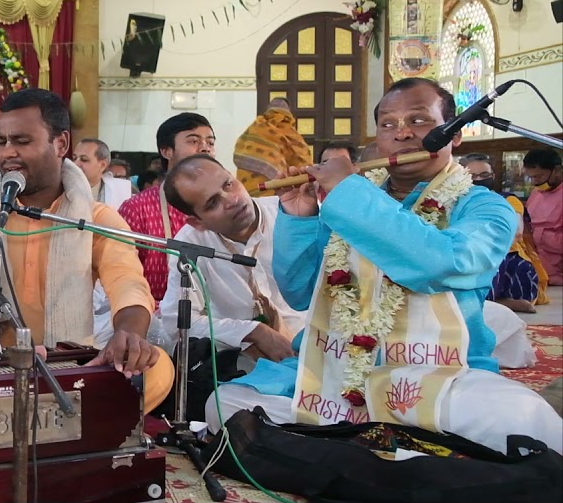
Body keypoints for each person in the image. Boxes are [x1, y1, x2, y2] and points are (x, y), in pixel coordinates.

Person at [206, 78, 562, 455]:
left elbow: (441, 263)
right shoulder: (350, 203)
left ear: (453, 135)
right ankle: (397, 454)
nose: (403, 133)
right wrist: (299, 219)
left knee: (525, 420)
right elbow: (297, 292)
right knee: (224, 404)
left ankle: (347, 451)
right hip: (335, 371)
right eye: (388, 124)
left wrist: (350, 194)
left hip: (435, 375)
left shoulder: (485, 208)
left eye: (419, 120)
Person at [0, 89, 175, 414]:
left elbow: (128, 284)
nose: (8, 153)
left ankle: (25, 414)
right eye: (2, 141)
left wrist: (128, 334)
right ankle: (65, 419)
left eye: (22, 141)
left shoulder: (96, 219)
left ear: (61, 144)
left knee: (157, 367)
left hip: (66, 359)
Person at [159, 154, 306, 370]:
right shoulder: (190, 244)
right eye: (213, 202)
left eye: (229, 184)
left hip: (321, 350)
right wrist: (251, 332)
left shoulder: (291, 212)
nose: (232, 200)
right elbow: (178, 322)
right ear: (197, 222)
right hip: (248, 367)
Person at [118, 112, 217, 302]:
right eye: (194, 141)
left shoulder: (227, 204)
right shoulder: (137, 209)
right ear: (166, 151)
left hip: (219, 320)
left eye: (210, 143)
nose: (205, 148)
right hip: (156, 320)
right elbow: (125, 279)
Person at [460, 152, 547, 311]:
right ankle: (494, 302)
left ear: (493, 176)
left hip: (505, 251)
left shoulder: (507, 199)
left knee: (506, 265)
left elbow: (516, 232)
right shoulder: (452, 201)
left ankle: (496, 301)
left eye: (484, 174)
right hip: (462, 250)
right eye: (472, 175)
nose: (478, 180)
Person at [233, 97, 313, 198]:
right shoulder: (294, 136)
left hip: (251, 187)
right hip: (283, 193)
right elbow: (304, 163)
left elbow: (241, 152)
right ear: (288, 113)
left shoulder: (256, 128)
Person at [523, 148, 562, 286]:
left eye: (538, 176)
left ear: (556, 170)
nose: (535, 182)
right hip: (535, 272)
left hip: (557, 277)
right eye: (531, 177)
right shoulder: (536, 192)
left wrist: (540, 235)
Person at [74, 137, 132, 210]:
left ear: (102, 165)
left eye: (84, 159)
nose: (76, 163)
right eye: (74, 158)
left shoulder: (119, 190)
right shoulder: (62, 186)